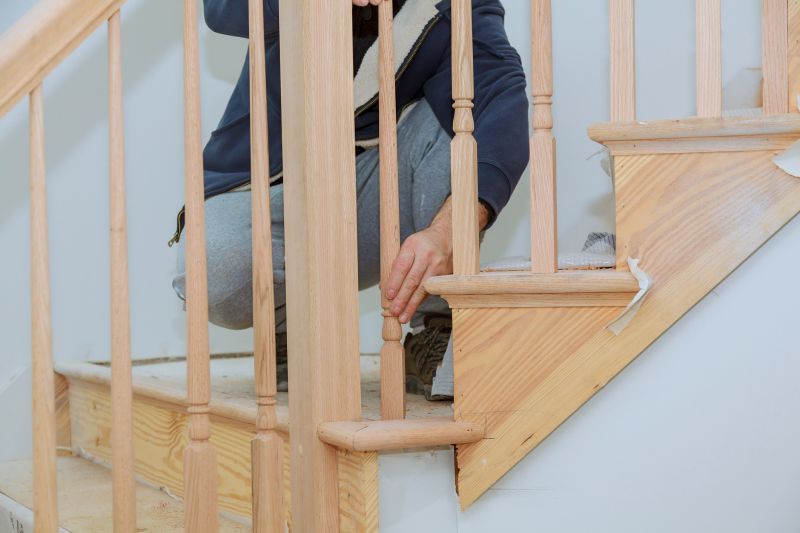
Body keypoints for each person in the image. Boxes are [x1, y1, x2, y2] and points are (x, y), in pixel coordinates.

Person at [171, 0, 529, 400]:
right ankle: (287, 328)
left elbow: (502, 95)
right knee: (212, 270)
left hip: (370, 188)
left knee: (463, 119)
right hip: (270, 186)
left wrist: (450, 230)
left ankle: (435, 327)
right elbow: (221, 9)